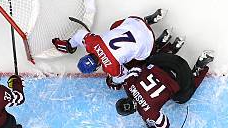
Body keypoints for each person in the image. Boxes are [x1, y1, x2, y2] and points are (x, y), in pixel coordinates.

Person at [109, 50, 213, 128]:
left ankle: (199, 68)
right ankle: (169, 48)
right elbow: (136, 69)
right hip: (167, 60)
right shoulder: (128, 84)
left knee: (182, 98)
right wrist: (117, 83)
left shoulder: (149, 114)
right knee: (146, 63)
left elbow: (164, 125)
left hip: (181, 71)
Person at [52, 9, 185, 78]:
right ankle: (150, 19)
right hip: (135, 23)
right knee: (115, 26)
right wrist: (69, 45)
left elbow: (124, 76)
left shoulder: (112, 69)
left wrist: (113, 80)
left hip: (147, 43)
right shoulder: (92, 43)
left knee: (140, 60)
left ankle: (161, 40)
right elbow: (79, 34)